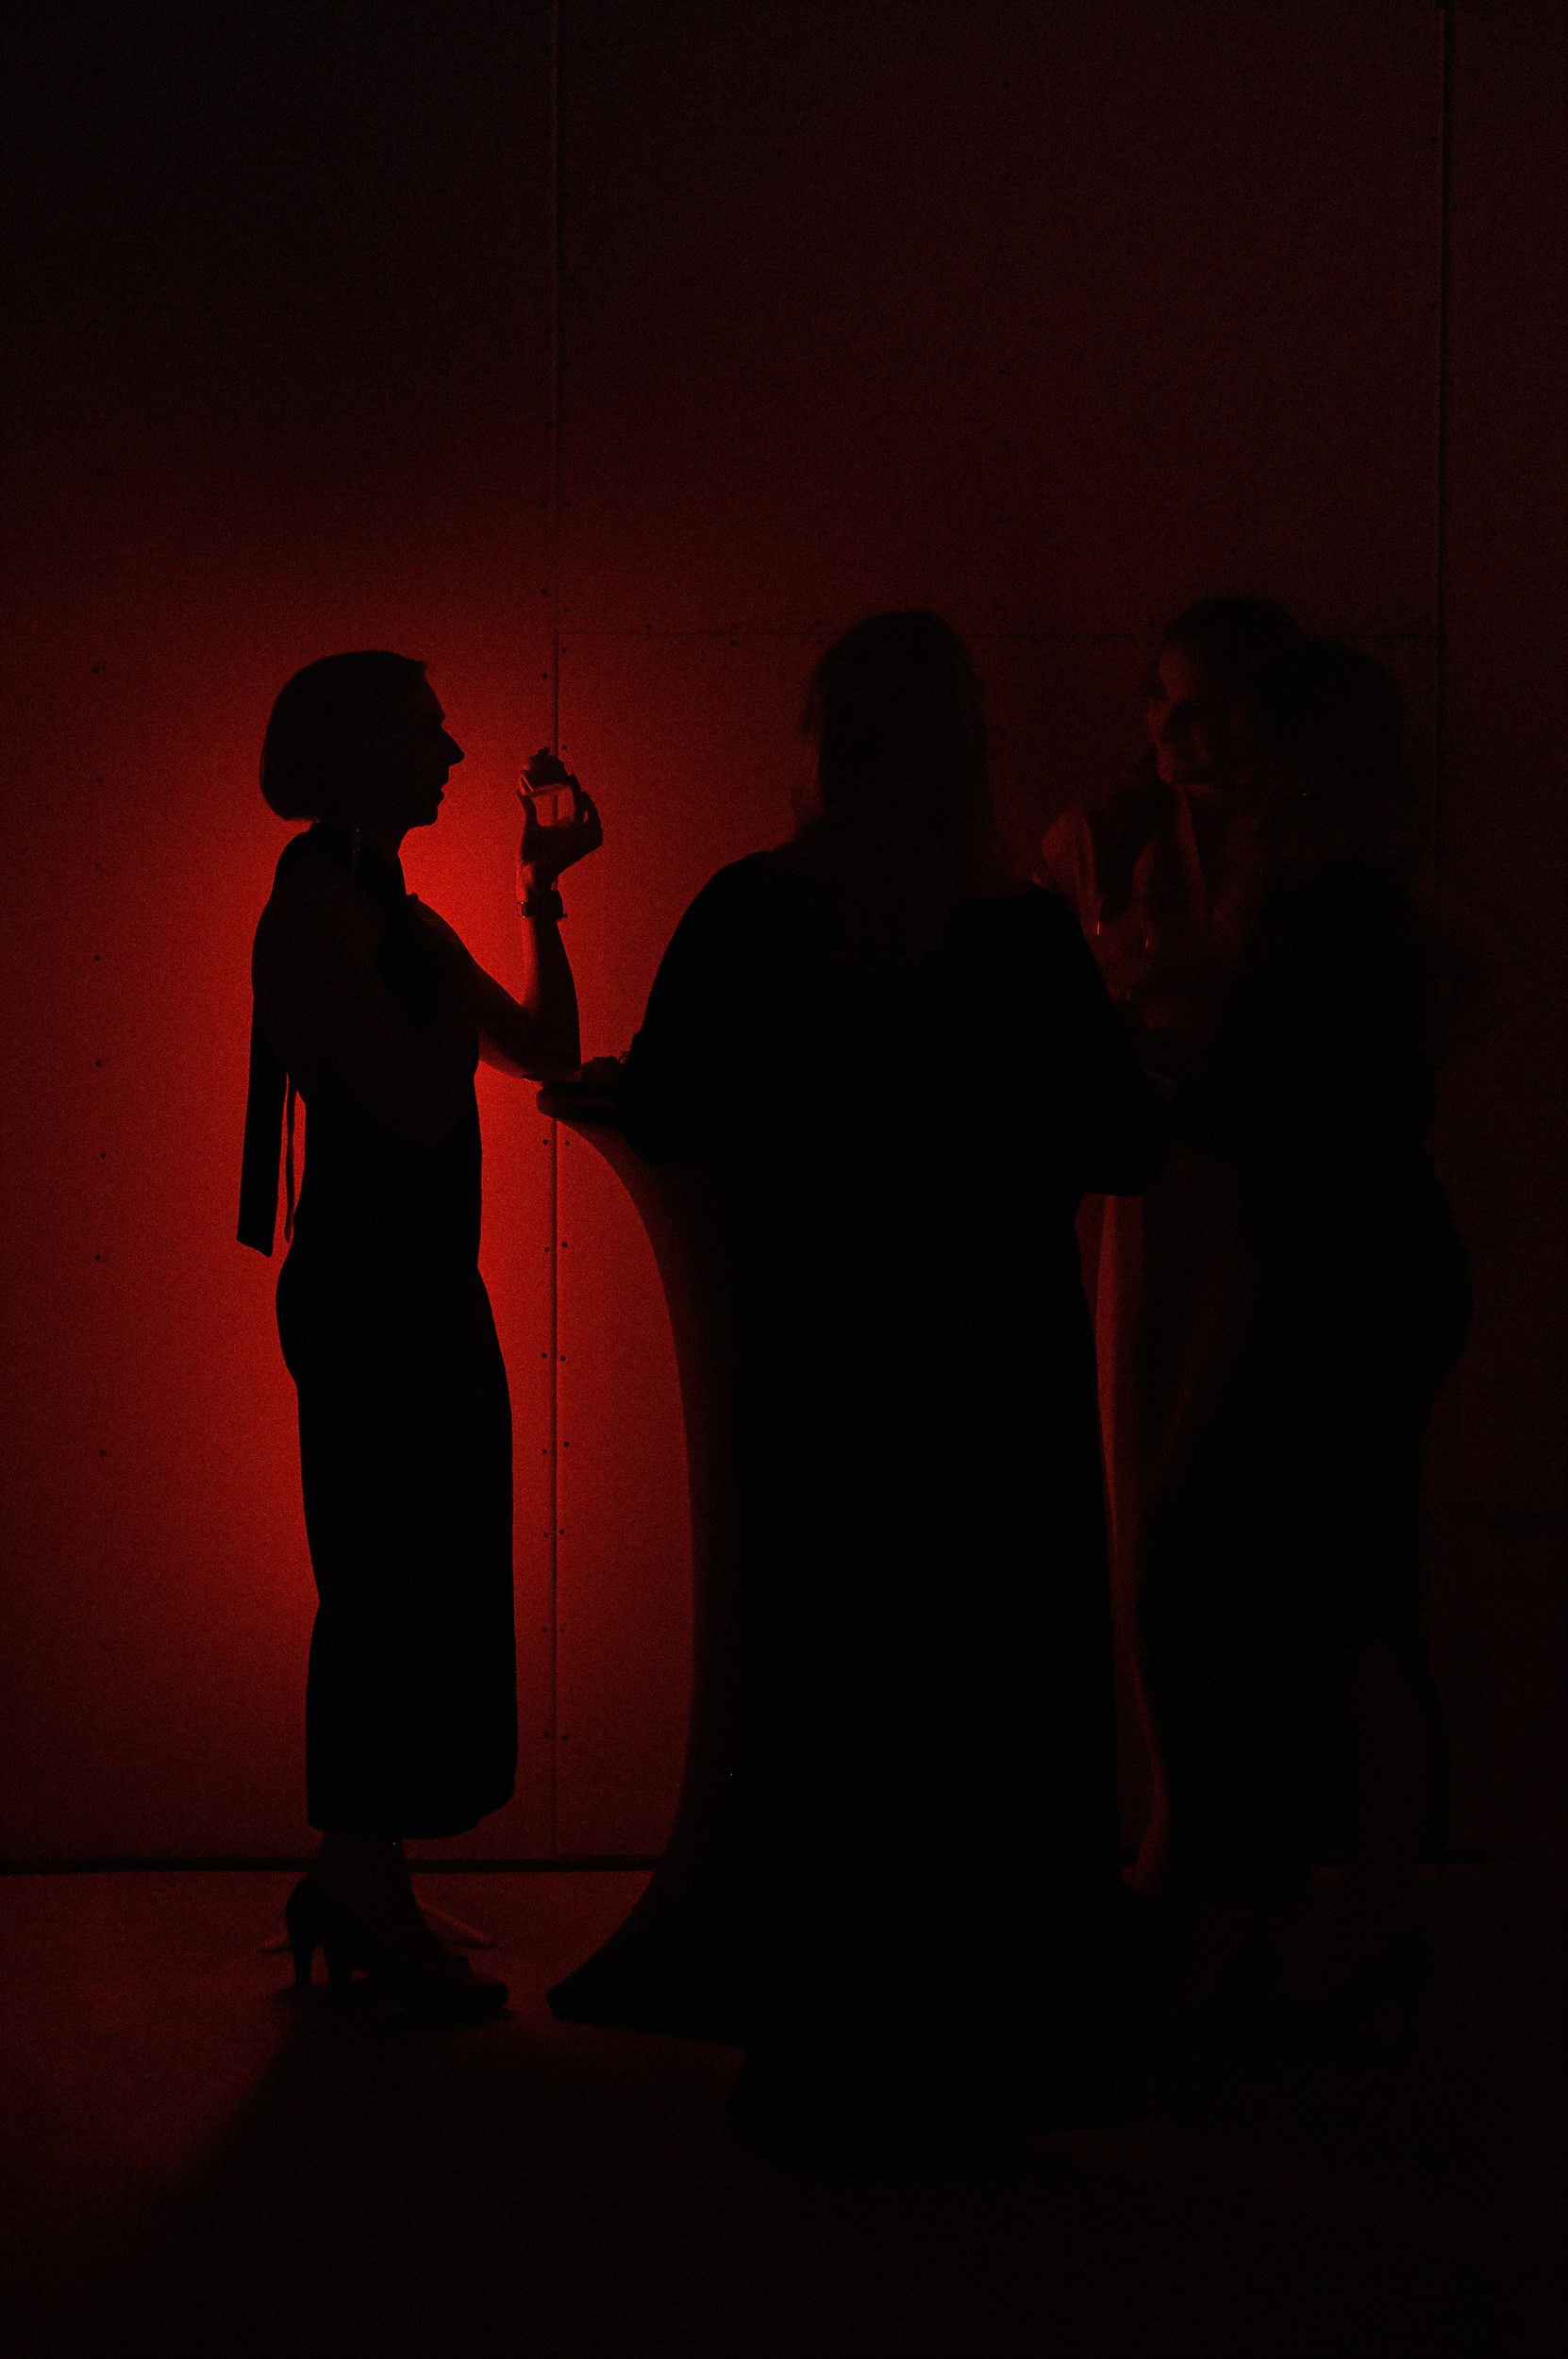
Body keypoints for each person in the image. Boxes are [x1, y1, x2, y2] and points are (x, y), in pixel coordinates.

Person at [619, 612, 1166, 2152]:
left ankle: (832, 2046)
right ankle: (1003, 2044)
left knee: (832, 1682)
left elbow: (666, 1106)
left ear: (822, 744)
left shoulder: (748, 914)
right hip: (991, 1368)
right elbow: (1119, 1142)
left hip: (819, 1360)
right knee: (990, 1689)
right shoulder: (1021, 937)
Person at [240, 651, 600, 2017]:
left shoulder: (384, 912)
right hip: (372, 1292)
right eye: (424, 726)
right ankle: (359, 1883)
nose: (452, 753)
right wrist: (441, 977)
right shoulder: (321, 910)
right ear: (358, 747)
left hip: (415, 1286)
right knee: (386, 1585)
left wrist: (539, 895)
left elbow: (547, 1050)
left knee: (417, 1579)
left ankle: (361, 1872)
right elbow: (416, 1100)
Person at [1141, 640, 1471, 2024]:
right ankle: (1333, 1920)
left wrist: (1130, 1065)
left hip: (1346, 1277)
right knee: (1334, 1595)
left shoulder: (1328, 910)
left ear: (1298, 756)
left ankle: (1270, 1918)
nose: (1201, 749)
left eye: (1229, 727)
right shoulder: (1344, 899)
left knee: (1237, 1583)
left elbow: (1257, 1109)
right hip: (1371, 1269)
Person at [1038, 597, 1304, 1896]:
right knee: (1148, 1499)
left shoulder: (1297, 855)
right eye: (1160, 698)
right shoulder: (1107, 839)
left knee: (1242, 1511)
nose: (1172, 729)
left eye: (1204, 707)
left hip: (1267, 1198)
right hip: (1157, 1196)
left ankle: (1226, 1833)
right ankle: (1178, 1826)